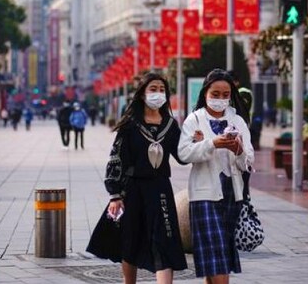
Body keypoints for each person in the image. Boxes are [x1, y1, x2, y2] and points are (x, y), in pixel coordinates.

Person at [92, 73, 188, 283]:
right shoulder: (130, 125)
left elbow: (182, 157)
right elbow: (116, 159)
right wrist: (115, 195)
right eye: (153, 89)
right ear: (143, 94)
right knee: (131, 242)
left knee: (165, 240)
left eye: (162, 90)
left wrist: (197, 142)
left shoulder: (170, 125)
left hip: (161, 189)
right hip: (133, 189)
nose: (158, 94)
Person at [178, 69, 253, 283]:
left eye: (225, 94)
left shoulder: (237, 120)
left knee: (219, 253)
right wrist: (211, 144)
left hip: (231, 194)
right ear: (206, 93)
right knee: (215, 250)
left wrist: (238, 150)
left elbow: (248, 161)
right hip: (204, 195)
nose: (220, 99)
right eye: (215, 94)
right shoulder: (194, 119)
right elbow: (183, 153)